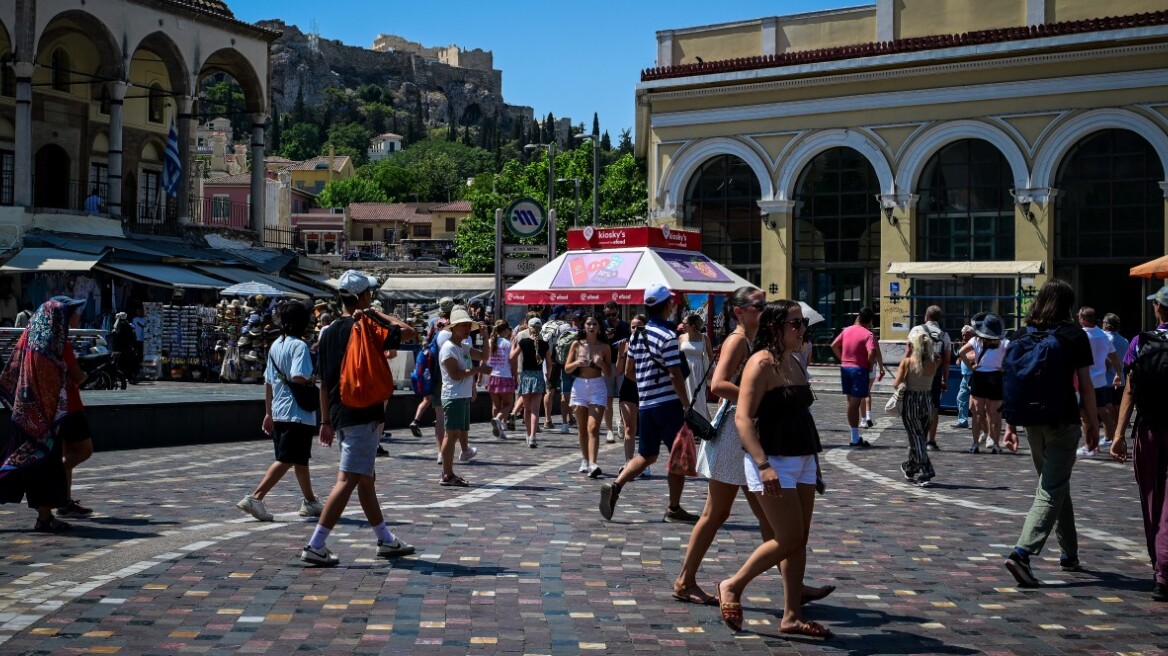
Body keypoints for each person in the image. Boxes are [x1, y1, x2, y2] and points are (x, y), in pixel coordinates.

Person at [678, 287, 835, 608]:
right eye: (756, 305)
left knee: (772, 520)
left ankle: (793, 582)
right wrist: (761, 397)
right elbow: (717, 384)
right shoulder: (740, 340)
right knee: (716, 512)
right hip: (739, 434)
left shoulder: (763, 343)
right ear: (738, 311)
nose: (763, 309)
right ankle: (685, 580)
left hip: (758, 433)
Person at [716, 300, 830, 638]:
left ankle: (792, 615)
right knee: (787, 537)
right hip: (773, 460)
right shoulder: (760, 363)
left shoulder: (793, 360)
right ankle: (733, 585)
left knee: (799, 540)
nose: (802, 329)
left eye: (803, 323)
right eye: (795, 324)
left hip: (803, 458)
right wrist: (763, 464)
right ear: (775, 327)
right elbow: (742, 418)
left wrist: (815, 462)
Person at [301, 270, 417, 567]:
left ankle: (386, 539)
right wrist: (378, 315)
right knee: (350, 478)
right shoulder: (367, 326)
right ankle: (316, 544)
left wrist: (325, 421)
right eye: (370, 294)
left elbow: (324, 383)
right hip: (363, 412)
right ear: (364, 297)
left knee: (365, 478)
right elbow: (408, 332)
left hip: (340, 413)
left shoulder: (327, 333)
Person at [1001, 279, 1096, 587]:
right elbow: (1086, 383)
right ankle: (1022, 554)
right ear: (1068, 305)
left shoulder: (1021, 334)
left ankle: (1069, 553)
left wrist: (1009, 426)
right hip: (1062, 421)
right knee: (1051, 488)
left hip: (1031, 422)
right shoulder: (1073, 334)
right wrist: (1093, 424)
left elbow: (1011, 382)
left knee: (1055, 484)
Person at [600, 284, 699, 523]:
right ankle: (674, 508)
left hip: (645, 404)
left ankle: (616, 486)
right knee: (678, 456)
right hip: (667, 405)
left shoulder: (636, 335)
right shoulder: (667, 337)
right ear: (667, 305)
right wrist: (687, 406)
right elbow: (676, 375)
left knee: (647, 455)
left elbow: (630, 372)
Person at [0, 298, 92, 531]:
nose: (76, 317)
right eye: (71, 313)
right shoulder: (51, 347)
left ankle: (45, 518)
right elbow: (61, 380)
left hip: (29, 417)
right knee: (23, 469)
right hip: (42, 420)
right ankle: (45, 518)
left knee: (26, 468)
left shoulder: (35, 341)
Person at [236, 300, 323, 522]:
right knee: (287, 458)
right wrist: (314, 379)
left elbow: (268, 382)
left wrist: (268, 413)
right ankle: (256, 497)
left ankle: (310, 502)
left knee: (300, 460)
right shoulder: (299, 346)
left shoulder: (276, 345)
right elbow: (298, 375)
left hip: (280, 410)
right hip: (298, 413)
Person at [1109, 285, 1168, 601]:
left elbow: (1129, 392)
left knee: (1150, 499)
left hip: (1147, 430)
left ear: (1158, 310)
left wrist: (1118, 435)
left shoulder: (1141, 342)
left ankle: (1158, 564)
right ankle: (1165, 569)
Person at [438, 308, 492, 487]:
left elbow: (484, 356)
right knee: (450, 434)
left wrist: (485, 337)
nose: (467, 329)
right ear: (453, 328)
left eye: (469, 325)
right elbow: (455, 374)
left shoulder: (464, 346)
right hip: (453, 395)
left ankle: (449, 472)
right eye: (463, 325)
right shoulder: (449, 348)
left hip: (462, 395)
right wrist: (478, 370)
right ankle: (447, 474)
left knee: (454, 434)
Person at [893, 324, 941, 486]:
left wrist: (907, 354)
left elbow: (896, 383)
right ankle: (910, 467)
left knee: (916, 437)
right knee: (919, 438)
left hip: (912, 401)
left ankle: (927, 471)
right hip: (928, 400)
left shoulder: (907, 362)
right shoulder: (934, 362)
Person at [566, 314, 612, 479]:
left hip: (597, 386)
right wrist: (577, 363)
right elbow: (567, 368)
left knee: (593, 427)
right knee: (582, 427)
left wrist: (601, 363)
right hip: (579, 387)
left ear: (599, 328)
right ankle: (584, 459)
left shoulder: (604, 347)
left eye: (594, 324)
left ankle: (593, 463)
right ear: (584, 327)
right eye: (588, 324)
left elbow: (608, 373)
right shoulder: (577, 344)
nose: (591, 327)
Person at [830, 307, 883, 447]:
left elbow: (834, 345)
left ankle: (854, 435)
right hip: (859, 369)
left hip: (845, 368)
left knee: (851, 403)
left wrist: (843, 359)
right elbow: (871, 352)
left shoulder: (847, 330)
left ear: (858, 316)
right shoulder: (868, 334)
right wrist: (869, 365)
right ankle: (854, 438)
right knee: (855, 404)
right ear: (870, 320)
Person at [957, 313, 1009, 454]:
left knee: (977, 413)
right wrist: (1004, 367)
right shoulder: (1004, 342)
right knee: (995, 413)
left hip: (979, 376)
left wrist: (970, 366)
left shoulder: (976, 340)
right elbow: (1013, 357)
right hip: (996, 377)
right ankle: (996, 444)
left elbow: (961, 352)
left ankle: (975, 444)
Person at [1076, 307, 1121, 458]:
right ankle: (1111, 438)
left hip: (1086, 381)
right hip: (1100, 380)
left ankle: (1090, 446)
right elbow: (1114, 356)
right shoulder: (1103, 335)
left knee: (1085, 415)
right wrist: (1118, 373)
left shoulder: (1081, 335)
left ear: (1083, 319)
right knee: (1102, 411)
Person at [909, 306, 951, 450]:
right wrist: (945, 379)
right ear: (939, 319)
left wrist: (903, 375)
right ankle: (931, 441)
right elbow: (946, 361)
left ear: (926, 316)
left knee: (915, 407)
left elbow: (908, 353)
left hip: (916, 374)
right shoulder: (944, 335)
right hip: (935, 375)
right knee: (933, 408)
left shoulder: (916, 330)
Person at [512, 317, 551, 448]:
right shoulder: (545, 344)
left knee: (527, 410)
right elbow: (550, 364)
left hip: (525, 376)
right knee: (535, 410)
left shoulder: (523, 342)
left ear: (528, 327)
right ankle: (533, 436)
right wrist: (548, 376)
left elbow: (512, 356)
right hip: (539, 376)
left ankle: (528, 435)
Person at [616, 315, 646, 467]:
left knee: (646, 428)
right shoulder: (626, 345)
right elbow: (619, 371)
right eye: (633, 327)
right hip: (629, 388)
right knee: (630, 427)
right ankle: (629, 462)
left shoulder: (650, 345)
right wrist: (621, 354)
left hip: (647, 389)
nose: (635, 330)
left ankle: (643, 461)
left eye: (639, 326)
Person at [602, 301, 631, 443]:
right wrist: (605, 339)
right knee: (607, 398)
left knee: (623, 397)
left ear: (618, 312)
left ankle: (621, 424)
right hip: (606, 365)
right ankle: (609, 430)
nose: (611, 318)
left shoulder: (625, 326)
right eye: (608, 315)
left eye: (613, 314)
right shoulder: (601, 325)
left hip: (622, 363)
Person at [1100, 312, 1128, 452]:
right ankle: (1118, 437)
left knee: (1107, 410)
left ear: (1106, 324)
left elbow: (1106, 363)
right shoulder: (1124, 340)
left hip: (1107, 380)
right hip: (1121, 380)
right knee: (1118, 410)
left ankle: (1108, 438)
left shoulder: (1105, 339)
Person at [679, 314, 714, 421]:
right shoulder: (681, 338)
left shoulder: (704, 338)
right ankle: (687, 424)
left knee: (699, 398)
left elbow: (710, 354)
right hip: (684, 370)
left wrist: (711, 368)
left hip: (699, 371)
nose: (682, 326)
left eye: (685, 324)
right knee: (685, 397)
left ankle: (702, 423)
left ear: (693, 326)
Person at [484, 320, 515, 441]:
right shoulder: (508, 344)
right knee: (508, 404)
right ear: (505, 330)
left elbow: (485, 358)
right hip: (505, 376)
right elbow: (512, 361)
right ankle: (498, 419)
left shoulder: (490, 342)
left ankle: (499, 429)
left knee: (496, 405)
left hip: (492, 376)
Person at [951, 325, 975, 430]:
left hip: (972, 376)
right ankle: (963, 421)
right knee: (961, 398)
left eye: (966, 335)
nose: (964, 337)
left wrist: (965, 357)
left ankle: (980, 422)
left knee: (975, 402)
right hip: (965, 376)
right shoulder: (965, 345)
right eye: (963, 335)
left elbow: (973, 356)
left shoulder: (974, 344)